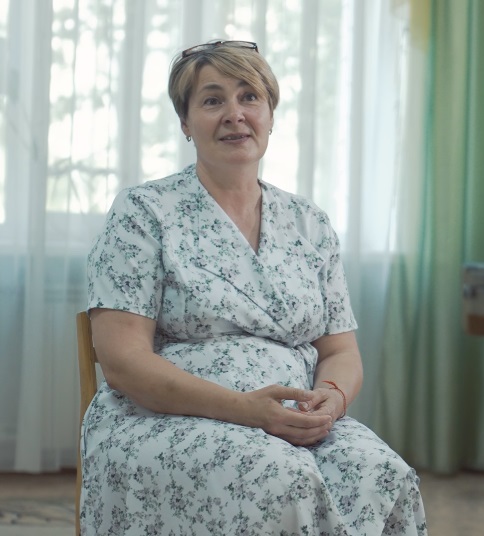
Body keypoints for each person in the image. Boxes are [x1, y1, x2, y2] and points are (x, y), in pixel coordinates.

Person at [81, 39, 427, 535]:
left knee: (383, 474)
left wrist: (331, 398)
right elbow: (123, 361)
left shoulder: (309, 222)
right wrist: (246, 410)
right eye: (212, 100)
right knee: (281, 483)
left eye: (249, 97)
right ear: (185, 122)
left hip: (292, 422)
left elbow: (340, 350)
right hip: (168, 417)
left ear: (270, 114)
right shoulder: (143, 212)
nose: (235, 114)